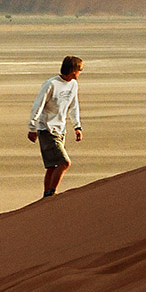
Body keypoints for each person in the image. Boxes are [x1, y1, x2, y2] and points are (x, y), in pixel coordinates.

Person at [28, 55, 83, 198]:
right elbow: (38, 105)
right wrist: (32, 127)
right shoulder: (51, 84)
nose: (81, 73)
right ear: (73, 70)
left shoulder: (73, 85)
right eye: (80, 69)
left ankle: (46, 196)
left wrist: (77, 126)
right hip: (47, 129)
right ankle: (52, 194)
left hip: (60, 129)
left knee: (52, 166)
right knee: (64, 162)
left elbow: (73, 106)